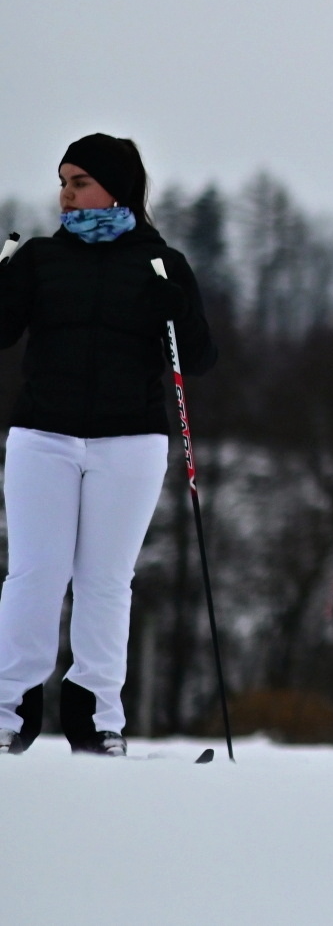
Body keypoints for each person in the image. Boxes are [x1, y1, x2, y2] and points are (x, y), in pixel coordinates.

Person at [0, 135, 216, 756]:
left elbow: (199, 357)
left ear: (117, 188)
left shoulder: (160, 263)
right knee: (36, 574)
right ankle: (9, 712)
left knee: (105, 581)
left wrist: (178, 311)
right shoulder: (39, 258)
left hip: (130, 441)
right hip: (43, 435)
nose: (66, 194)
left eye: (80, 182)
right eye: (62, 182)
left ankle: (97, 719)